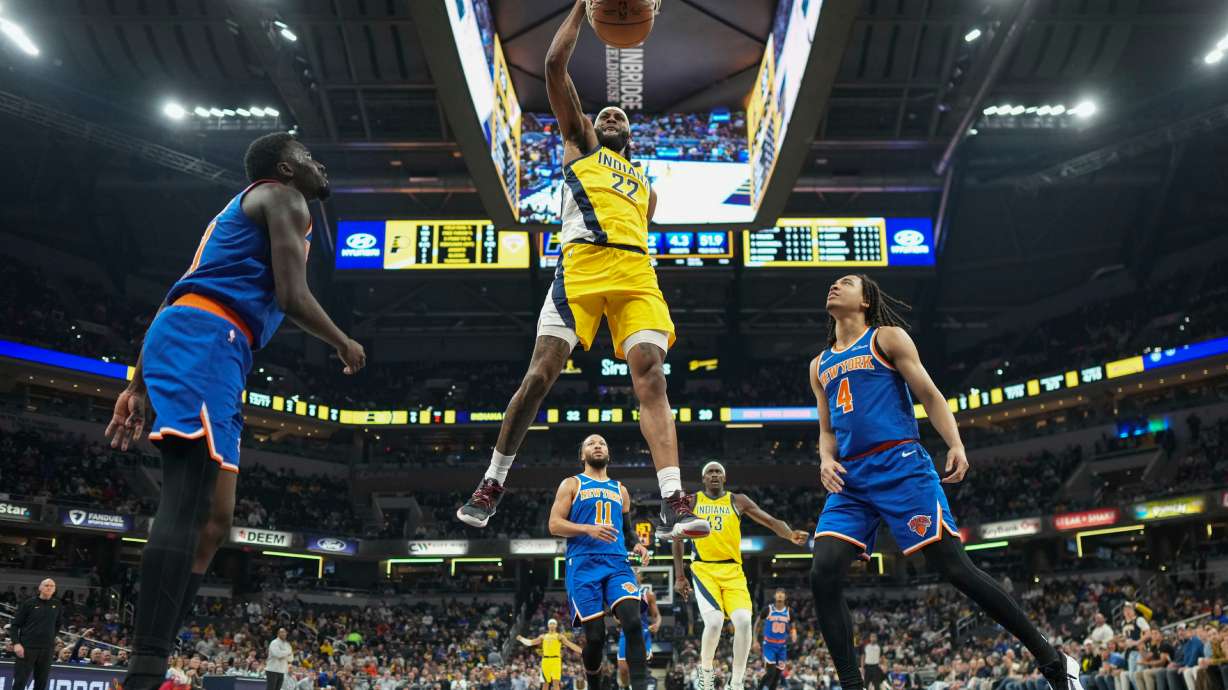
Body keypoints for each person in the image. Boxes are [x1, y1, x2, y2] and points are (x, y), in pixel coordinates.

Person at [104, 132, 366, 690]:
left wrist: (138, 380)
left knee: (217, 521)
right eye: (308, 156)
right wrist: (343, 341)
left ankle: (157, 652)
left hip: (215, 342)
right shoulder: (280, 196)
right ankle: (145, 669)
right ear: (284, 168)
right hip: (207, 337)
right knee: (188, 496)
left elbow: (174, 294)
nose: (319, 163)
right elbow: (293, 296)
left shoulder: (257, 208)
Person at [457, 0, 707, 543]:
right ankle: (493, 481)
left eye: (620, 116)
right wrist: (581, 7)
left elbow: (641, 228)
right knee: (538, 378)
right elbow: (553, 67)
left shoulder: (648, 189)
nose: (610, 115)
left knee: (653, 377)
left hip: (638, 276)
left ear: (632, 137)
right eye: (603, 113)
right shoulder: (580, 147)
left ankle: (672, 499)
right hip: (581, 269)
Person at [806, 274, 1082, 690]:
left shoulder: (887, 338)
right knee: (822, 572)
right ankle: (852, 685)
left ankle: (1053, 660)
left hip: (900, 463)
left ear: (865, 301)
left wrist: (955, 443)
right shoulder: (819, 364)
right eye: (834, 282)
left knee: (954, 568)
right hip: (852, 479)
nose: (834, 286)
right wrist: (826, 460)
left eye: (846, 282)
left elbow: (930, 395)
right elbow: (827, 430)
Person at [673, 462, 808, 690]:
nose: (714, 475)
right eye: (710, 472)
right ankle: (705, 671)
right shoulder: (692, 501)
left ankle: (735, 683)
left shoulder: (738, 500)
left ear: (724, 479)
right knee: (714, 623)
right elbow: (677, 537)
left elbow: (769, 520)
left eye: (718, 472)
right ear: (703, 479)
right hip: (704, 570)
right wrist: (679, 576)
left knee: (744, 622)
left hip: (733, 571)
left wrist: (790, 535)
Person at [547, 434, 651, 690]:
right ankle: (594, 684)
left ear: (608, 453)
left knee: (634, 621)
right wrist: (588, 529)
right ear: (582, 455)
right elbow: (554, 524)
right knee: (595, 638)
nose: (597, 446)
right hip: (583, 564)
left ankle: (640, 686)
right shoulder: (571, 484)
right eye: (591, 444)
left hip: (617, 564)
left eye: (603, 443)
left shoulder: (621, 490)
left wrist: (637, 543)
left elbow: (627, 532)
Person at [10, 579, 64, 690]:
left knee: (41, 683)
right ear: (40, 587)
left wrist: (51, 637)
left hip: (46, 649)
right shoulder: (29, 603)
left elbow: (58, 624)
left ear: (54, 589)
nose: (49, 587)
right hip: (27, 648)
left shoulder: (57, 604)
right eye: (46, 585)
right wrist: (16, 644)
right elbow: (15, 625)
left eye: (52, 586)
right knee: (20, 681)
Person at [617, 573, 661, 690]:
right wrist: (618, 619)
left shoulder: (648, 594)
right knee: (623, 670)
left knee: (640, 667)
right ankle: (625, 687)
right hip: (625, 632)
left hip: (643, 633)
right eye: (632, 572)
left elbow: (656, 615)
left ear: (641, 578)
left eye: (637, 573)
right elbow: (615, 616)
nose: (634, 574)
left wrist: (657, 624)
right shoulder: (620, 593)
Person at [517, 618, 583, 690]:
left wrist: (582, 651)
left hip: (556, 661)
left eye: (553, 624)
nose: (552, 625)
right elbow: (531, 643)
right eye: (550, 623)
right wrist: (522, 639)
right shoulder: (543, 636)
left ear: (556, 626)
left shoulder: (560, 636)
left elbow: (571, 645)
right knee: (545, 684)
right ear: (548, 625)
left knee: (556, 684)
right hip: (545, 661)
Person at [754, 590, 797, 690]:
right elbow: (757, 624)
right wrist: (755, 640)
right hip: (769, 645)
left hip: (782, 646)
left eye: (782, 593)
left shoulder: (789, 611)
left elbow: (793, 624)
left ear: (785, 597)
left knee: (777, 674)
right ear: (775, 596)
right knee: (771, 672)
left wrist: (794, 632)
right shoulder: (768, 609)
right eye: (778, 593)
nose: (780, 595)